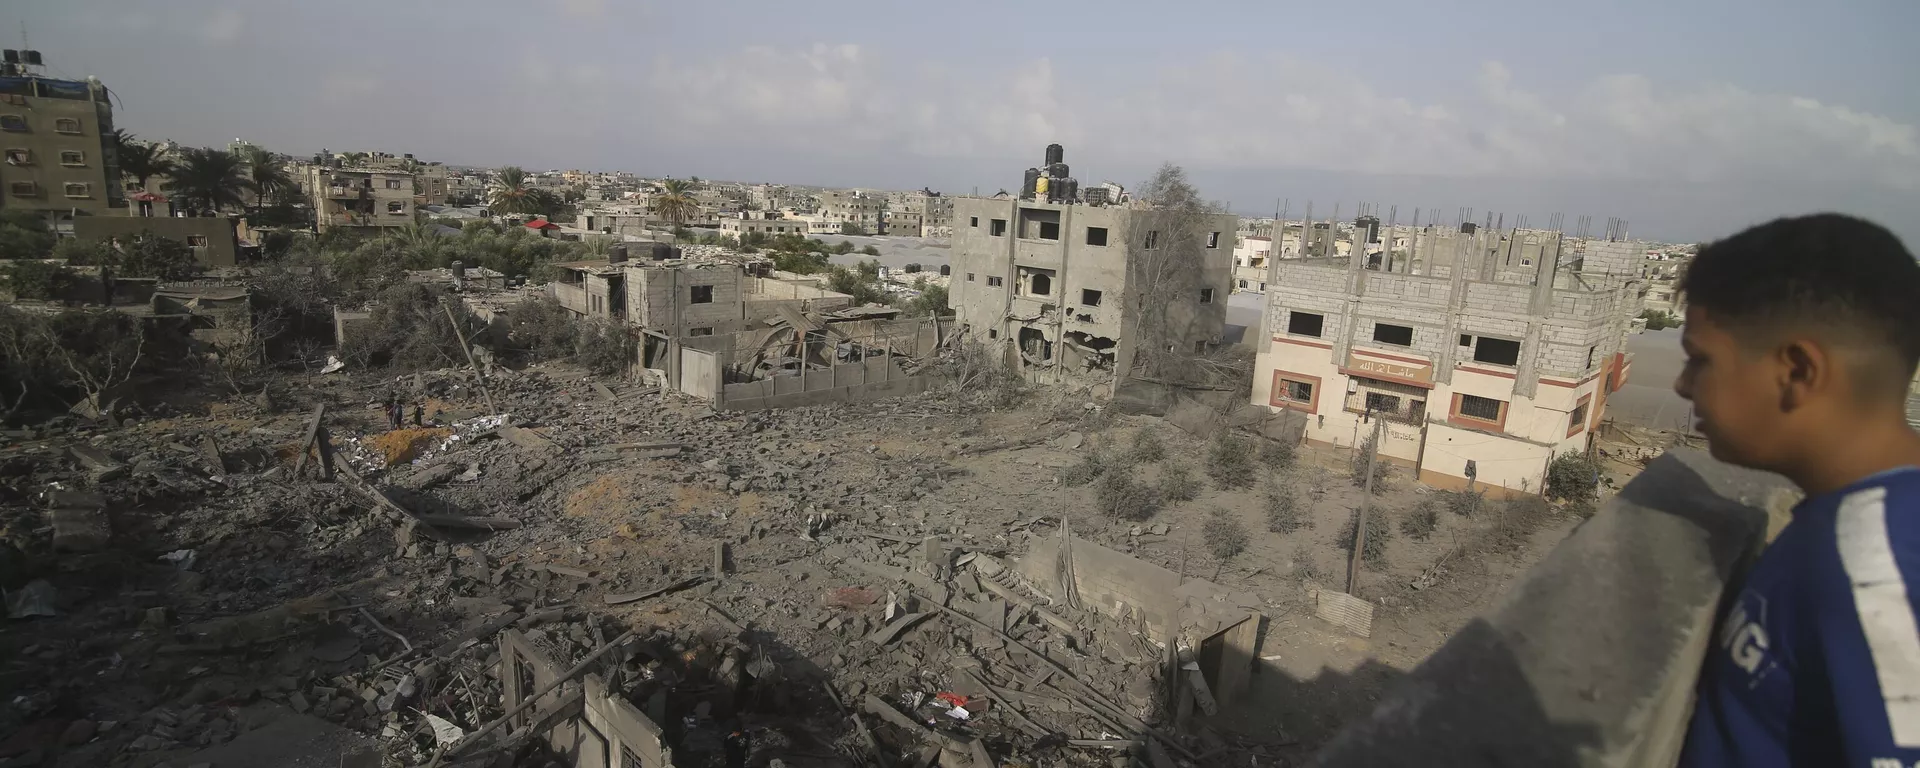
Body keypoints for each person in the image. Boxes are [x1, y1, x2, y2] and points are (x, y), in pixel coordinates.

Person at [1675, 214, 1920, 766]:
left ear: (1797, 371)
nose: (1682, 384)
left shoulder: (1879, 570)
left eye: (1700, 359)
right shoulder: (1841, 522)